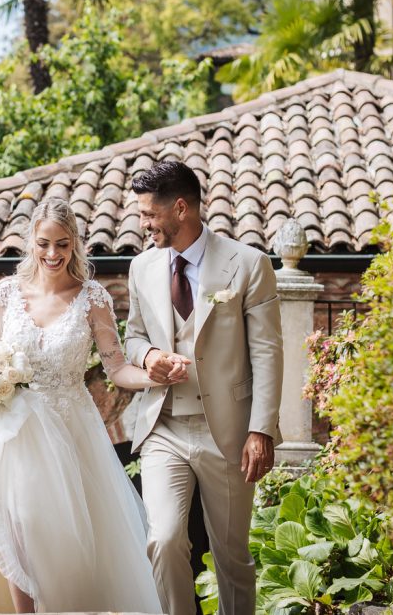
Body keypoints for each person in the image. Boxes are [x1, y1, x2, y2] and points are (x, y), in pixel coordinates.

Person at [0, 198, 183, 614]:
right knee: (17, 522)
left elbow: (116, 366)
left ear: (75, 244)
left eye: (62, 244)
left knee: (66, 539)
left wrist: (151, 376)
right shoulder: (7, 293)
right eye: (44, 243)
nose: (52, 254)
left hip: (70, 428)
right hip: (16, 428)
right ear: (31, 241)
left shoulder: (91, 297)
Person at [125, 160, 284, 615]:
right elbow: (134, 336)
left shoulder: (248, 264)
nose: (143, 224)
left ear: (180, 208)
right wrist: (150, 357)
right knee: (164, 537)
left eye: (149, 215)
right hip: (165, 427)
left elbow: (268, 352)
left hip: (229, 432)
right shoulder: (142, 267)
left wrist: (262, 430)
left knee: (231, 557)